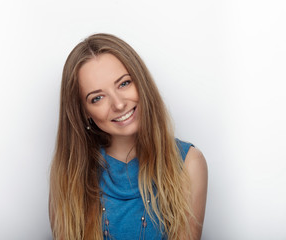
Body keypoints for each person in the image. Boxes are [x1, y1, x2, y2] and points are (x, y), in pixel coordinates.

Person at [49, 33, 208, 240]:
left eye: (124, 84)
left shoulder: (188, 163)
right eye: (97, 98)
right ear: (83, 111)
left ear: (140, 82)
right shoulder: (68, 173)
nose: (118, 104)